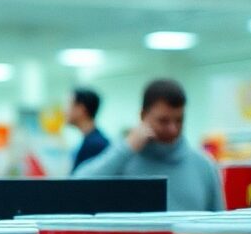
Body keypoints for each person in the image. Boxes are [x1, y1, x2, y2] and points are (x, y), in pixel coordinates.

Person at [75, 79, 224, 211]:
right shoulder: (124, 159)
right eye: (163, 121)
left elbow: (219, 228)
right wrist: (126, 148)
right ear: (142, 116)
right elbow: (76, 187)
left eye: (179, 120)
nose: (172, 129)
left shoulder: (204, 166)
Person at [68, 88, 110, 173]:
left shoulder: (96, 145)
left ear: (81, 109)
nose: (64, 110)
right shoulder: (88, 141)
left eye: (69, 105)